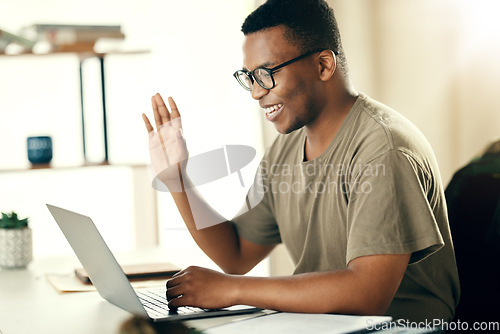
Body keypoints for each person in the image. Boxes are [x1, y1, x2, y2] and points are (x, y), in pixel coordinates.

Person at [142, 0, 459, 323]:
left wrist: (233, 290)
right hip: (321, 324)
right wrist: (177, 180)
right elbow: (235, 254)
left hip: (401, 327)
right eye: (249, 77)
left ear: (323, 66)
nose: (255, 92)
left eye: (266, 74)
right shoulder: (286, 148)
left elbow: (368, 295)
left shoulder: (383, 149)